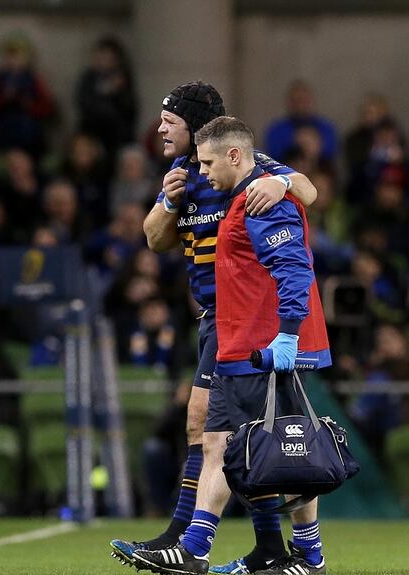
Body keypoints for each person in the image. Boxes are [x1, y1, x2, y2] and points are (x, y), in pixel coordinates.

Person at [110, 83, 319, 574]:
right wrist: (165, 201)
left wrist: (285, 183)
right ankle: (260, 545)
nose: (160, 129)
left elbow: (309, 194)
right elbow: (154, 240)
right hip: (215, 320)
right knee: (225, 433)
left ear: (198, 126)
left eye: (170, 121)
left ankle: (189, 538)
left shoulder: (245, 167)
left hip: (249, 321)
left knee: (220, 431)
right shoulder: (182, 174)